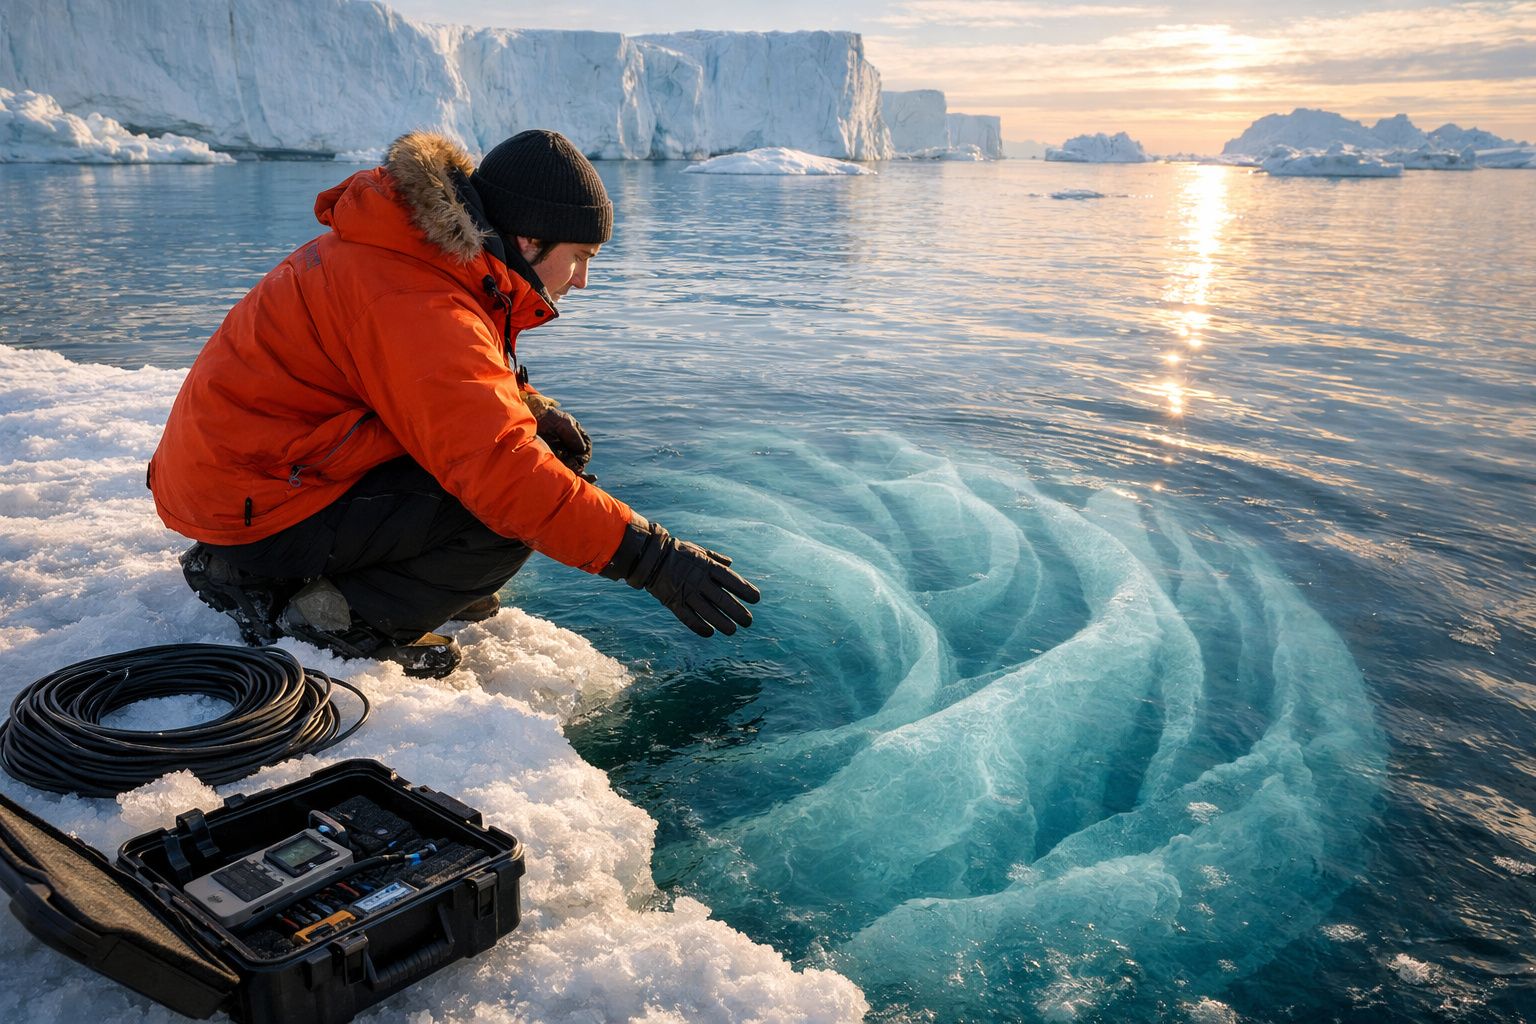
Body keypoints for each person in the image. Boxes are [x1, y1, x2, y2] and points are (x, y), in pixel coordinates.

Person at [149, 129, 760, 678]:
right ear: (528, 237)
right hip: (251, 505)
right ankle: (332, 622)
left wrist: (528, 404)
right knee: (504, 509)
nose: (581, 281)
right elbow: (502, 472)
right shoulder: (416, 297)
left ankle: (399, 581)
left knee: (534, 451)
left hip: (249, 478)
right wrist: (652, 559)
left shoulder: (420, 258)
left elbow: (432, 379)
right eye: (579, 258)